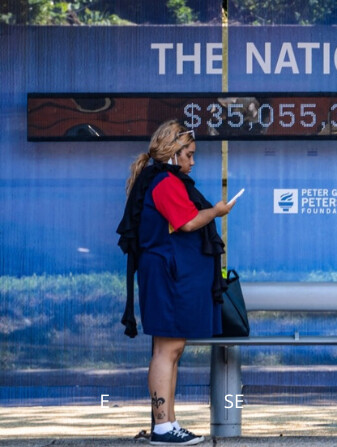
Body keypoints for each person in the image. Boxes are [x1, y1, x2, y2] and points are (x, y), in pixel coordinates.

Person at [117, 120, 235, 445]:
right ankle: (163, 426)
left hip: (165, 274)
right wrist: (217, 211)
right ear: (173, 153)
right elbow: (187, 222)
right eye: (189, 154)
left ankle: (167, 423)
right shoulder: (166, 182)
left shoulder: (160, 180)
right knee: (167, 349)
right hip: (167, 276)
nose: (193, 161)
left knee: (171, 349)